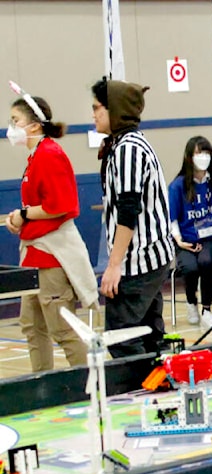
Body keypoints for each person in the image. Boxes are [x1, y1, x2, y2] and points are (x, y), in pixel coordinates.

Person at [4, 89, 98, 372]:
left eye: (15, 120)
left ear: (33, 125)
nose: (11, 127)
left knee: (63, 328)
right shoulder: (34, 157)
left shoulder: (50, 154)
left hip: (51, 258)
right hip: (33, 254)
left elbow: (61, 205)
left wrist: (23, 214)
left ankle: (88, 389)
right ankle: (41, 384)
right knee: (33, 327)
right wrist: (20, 220)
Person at [92, 77, 175, 358]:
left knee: (121, 337)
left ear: (115, 110)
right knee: (150, 335)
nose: (93, 114)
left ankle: (135, 394)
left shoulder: (128, 149)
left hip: (140, 260)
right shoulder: (126, 144)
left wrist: (114, 265)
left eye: (97, 108)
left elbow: (129, 211)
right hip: (150, 256)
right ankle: (159, 390)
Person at [168, 136, 212, 330]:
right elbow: (171, 218)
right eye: (199, 153)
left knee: (207, 262)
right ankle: (192, 302)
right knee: (190, 268)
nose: (203, 157)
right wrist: (179, 240)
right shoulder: (178, 186)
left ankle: (206, 309)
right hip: (186, 239)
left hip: (210, 236)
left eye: (207, 153)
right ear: (189, 157)